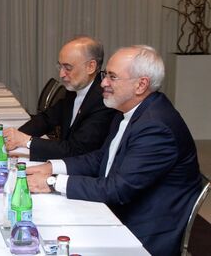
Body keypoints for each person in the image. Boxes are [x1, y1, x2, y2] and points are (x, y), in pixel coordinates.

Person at [27, 45, 201, 256]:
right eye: (105, 75)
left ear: (141, 85)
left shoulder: (156, 127)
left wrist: (53, 182)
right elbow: (103, 158)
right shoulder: (128, 110)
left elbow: (117, 189)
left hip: (141, 233)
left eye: (112, 77)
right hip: (118, 211)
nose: (103, 83)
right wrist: (51, 167)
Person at [4, 36, 118, 161]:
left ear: (90, 66)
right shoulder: (75, 88)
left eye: (68, 68)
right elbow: (47, 119)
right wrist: (15, 136)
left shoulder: (103, 100)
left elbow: (76, 150)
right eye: (60, 67)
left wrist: (27, 141)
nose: (61, 74)